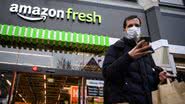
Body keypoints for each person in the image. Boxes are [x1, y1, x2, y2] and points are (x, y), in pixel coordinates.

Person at [102, 15, 168, 104]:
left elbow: (148, 80)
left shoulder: (146, 52)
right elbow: (107, 73)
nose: (134, 28)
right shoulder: (115, 48)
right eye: (130, 26)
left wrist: (158, 77)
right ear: (124, 29)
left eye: (137, 25)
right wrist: (128, 57)